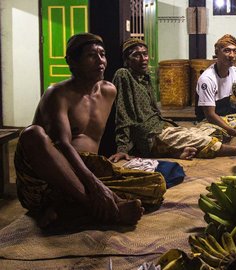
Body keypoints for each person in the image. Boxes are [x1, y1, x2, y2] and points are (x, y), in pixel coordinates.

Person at [14, 33, 166, 229]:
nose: (100, 61)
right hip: (49, 179)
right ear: (72, 62)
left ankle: (68, 209)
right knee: (32, 133)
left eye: (102, 54)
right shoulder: (58, 94)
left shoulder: (109, 91)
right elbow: (62, 144)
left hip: (86, 171)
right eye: (91, 56)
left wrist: (121, 151)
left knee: (155, 185)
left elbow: (123, 121)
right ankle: (106, 210)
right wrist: (96, 187)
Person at [109, 38, 236, 162]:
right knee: (204, 140)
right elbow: (122, 114)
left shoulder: (145, 78)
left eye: (145, 54)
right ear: (127, 59)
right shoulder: (123, 75)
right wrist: (122, 148)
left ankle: (175, 151)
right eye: (137, 55)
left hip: (163, 126)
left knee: (209, 131)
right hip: (150, 134)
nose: (143, 59)